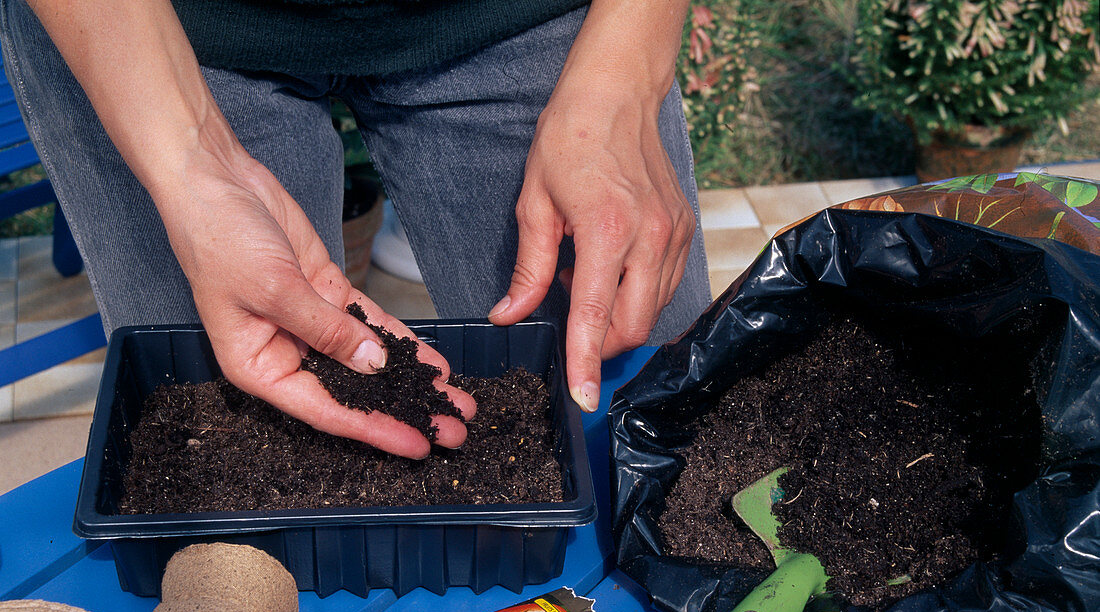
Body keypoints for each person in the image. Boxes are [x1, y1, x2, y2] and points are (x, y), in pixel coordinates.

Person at [0, 0, 712, 458]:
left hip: (525, 17)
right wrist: (191, 162)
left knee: (640, 423)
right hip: (147, 29)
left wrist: (626, 65)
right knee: (222, 470)